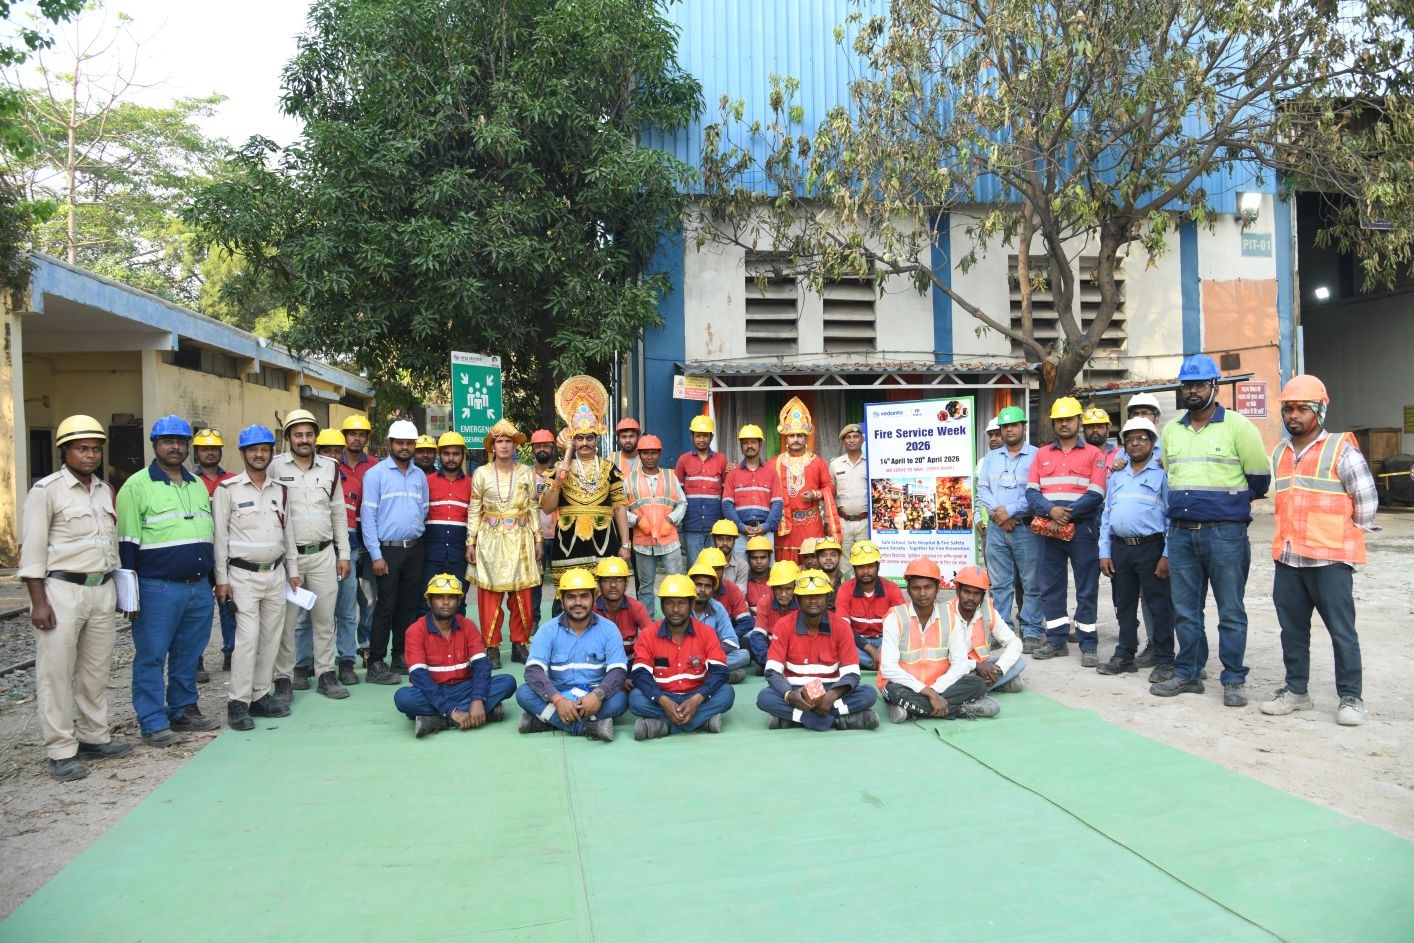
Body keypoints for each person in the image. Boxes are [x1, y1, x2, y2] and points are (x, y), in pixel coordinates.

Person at [1152, 354, 1270, 706]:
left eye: (1200, 385)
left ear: (1214, 387)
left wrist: (1226, 507)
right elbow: (1172, 474)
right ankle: (1189, 673)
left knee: (1230, 610)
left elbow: (1259, 479)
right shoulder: (1171, 431)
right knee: (1186, 610)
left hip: (1225, 534)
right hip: (1181, 534)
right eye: (1187, 385)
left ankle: (1233, 679)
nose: (1193, 391)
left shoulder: (1238, 427)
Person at [1260, 375, 1377, 726]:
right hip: (1289, 558)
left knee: (1342, 632)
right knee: (1292, 631)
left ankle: (1351, 698)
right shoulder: (1280, 453)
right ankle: (1296, 691)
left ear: (1320, 411)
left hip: (1330, 561)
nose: (1293, 415)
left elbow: (1367, 502)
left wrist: (1341, 535)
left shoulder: (1341, 450)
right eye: (1288, 409)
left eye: (1302, 408)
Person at [20, 415, 131, 781]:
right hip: (62, 592)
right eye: (82, 448)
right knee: (56, 673)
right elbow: (32, 551)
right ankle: (60, 750)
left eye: (95, 449)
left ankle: (94, 737)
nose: (90, 455)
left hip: (101, 590)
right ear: (64, 451)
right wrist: (39, 602)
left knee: (95, 671)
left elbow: (108, 544)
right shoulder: (46, 491)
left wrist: (119, 592)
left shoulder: (104, 489)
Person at [116, 415, 222, 747]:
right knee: (151, 655)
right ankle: (152, 721)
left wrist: (213, 582)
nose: (174, 447)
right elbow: (126, 544)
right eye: (167, 441)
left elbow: (208, 534)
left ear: (188, 446)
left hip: (198, 587)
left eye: (180, 441)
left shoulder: (196, 485)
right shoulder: (136, 486)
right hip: (157, 588)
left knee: (189, 653)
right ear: (155, 445)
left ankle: (183, 710)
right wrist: (129, 597)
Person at [214, 426, 302, 730]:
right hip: (242, 575)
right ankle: (238, 702)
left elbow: (288, 534)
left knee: (270, 638)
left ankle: (260, 694)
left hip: (275, 574)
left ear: (271, 453)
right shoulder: (227, 490)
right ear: (243, 453)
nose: (259, 454)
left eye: (264, 449)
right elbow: (220, 538)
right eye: (253, 449)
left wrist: (293, 572)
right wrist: (221, 579)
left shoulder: (280, 490)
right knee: (247, 639)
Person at [269, 410, 351, 703]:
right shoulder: (274, 467)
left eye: (308, 434)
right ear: (289, 437)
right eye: (297, 435)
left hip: (323, 555)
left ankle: (326, 674)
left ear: (316, 436)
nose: (303, 440)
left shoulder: (330, 468)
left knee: (325, 618)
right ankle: (284, 679)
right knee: (286, 622)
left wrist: (343, 554)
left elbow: (338, 514)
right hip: (289, 559)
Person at [878, 563, 1019, 723]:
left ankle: (911, 710)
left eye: (928, 587)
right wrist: (928, 693)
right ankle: (960, 710)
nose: (922, 593)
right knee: (894, 691)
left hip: (940, 684)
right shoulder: (895, 618)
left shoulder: (950, 617)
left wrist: (934, 691)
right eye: (916, 588)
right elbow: (888, 668)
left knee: (977, 684)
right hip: (904, 685)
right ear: (909, 590)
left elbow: (960, 665)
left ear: (938, 589)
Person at [1026, 396, 1109, 666]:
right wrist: (1051, 511)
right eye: (1059, 420)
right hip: (1049, 528)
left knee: (1086, 586)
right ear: (1053, 423)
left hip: (1083, 530)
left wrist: (1065, 515)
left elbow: (1096, 493)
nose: (1064, 424)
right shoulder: (1042, 454)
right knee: (1051, 586)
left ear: (1078, 422)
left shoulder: (1094, 454)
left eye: (1069, 419)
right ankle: (1056, 640)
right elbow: (1031, 492)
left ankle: (1088, 644)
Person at [1097, 417, 1175, 680]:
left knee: (1159, 605)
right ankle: (1125, 654)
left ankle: (1165, 660)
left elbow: (1171, 517)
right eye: (1129, 439)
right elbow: (1107, 514)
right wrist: (1104, 552)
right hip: (1120, 549)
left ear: (1152, 443)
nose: (1135, 443)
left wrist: (1166, 554)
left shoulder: (1162, 473)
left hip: (1151, 548)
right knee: (1124, 604)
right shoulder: (1117, 474)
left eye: (1141, 438)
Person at [394, 574, 517, 737]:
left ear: (459, 602)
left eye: (451, 597)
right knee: (403, 698)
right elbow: (420, 677)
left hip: (465, 688)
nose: (446, 602)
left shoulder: (468, 626)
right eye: (439, 597)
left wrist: (477, 699)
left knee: (508, 682)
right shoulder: (415, 631)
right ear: (429, 601)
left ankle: (436, 720)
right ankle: (478, 714)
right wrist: (451, 710)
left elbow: (481, 667)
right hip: (431, 690)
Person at [515, 568, 628, 741]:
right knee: (523, 693)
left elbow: (618, 671)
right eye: (571, 597)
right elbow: (533, 671)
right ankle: (585, 727)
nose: (578, 602)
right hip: (557, 695)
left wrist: (597, 695)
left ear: (594, 598)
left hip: (593, 697)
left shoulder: (609, 629)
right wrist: (558, 700)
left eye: (584, 596)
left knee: (620, 699)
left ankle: (549, 721)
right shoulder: (547, 630)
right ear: (561, 600)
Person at [757, 569, 879, 731]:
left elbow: (852, 674)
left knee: (869, 694)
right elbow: (772, 671)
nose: (813, 600)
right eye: (807, 596)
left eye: (819, 595)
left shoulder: (842, 627)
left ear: (827, 598)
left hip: (831, 690)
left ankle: (795, 719)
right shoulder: (783, 625)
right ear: (798, 599)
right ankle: (839, 721)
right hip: (797, 692)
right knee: (765, 697)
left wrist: (832, 696)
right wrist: (789, 695)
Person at [466, 420, 541, 668]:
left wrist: (538, 538)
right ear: (492, 446)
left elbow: (532, 506)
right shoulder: (481, 473)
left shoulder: (526, 472)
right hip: (490, 540)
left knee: (522, 594)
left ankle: (520, 644)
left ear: (515, 446)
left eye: (509, 441)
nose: (505, 445)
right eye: (500, 441)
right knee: (490, 595)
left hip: (521, 539)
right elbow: (474, 509)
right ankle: (492, 647)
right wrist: (470, 541)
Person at [361, 419, 430, 685]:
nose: (404, 447)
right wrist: (376, 555)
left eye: (409, 443)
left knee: (408, 607)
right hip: (387, 553)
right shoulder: (376, 474)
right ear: (390, 443)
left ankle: (400, 656)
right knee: (385, 607)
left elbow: (424, 510)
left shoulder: (419, 475)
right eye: (399, 442)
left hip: (414, 549)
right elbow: (368, 517)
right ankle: (375, 663)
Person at [629, 574, 736, 739]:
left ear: (692, 604)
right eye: (669, 603)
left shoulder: (706, 633)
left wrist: (696, 700)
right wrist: (663, 700)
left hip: (697, 695)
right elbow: (640, 674)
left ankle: (664, 726)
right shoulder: (648, 634)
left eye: (681, 603)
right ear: (661, 604)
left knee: (727, 693)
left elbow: (720, 672)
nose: (675, 609)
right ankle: (700, 722)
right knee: (635, 698)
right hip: (663, 696)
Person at [975, 405, 1044, 652]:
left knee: (1031, 583)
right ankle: (1002, 630)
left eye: (1014, 425)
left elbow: (1038, 491)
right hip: (997, 529)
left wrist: (1011, 511)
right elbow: (982, 489)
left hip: (1026, 528)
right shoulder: (991, 458)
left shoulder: (1037, 455)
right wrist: (999, 515)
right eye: (1005, 427)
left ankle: (1032, 630)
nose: (1009, 430)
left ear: (1024, 427)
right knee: (999, 584)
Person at [541, 410, 632, 584]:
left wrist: (626, 545)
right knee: (569, 590)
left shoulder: (609, 469)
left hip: (604, 540)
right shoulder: (560, 469)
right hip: (568, 542)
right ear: (573, 440)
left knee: (605, 589)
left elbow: (620, 508)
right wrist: (559, 478)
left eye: (589, 438)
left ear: (596, 440)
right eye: (579, 438)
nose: (584, 443)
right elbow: (546, 508)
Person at [314, 429, 363, 685]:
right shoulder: (311, 483)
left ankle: (346, 661)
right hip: (316, 555)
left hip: (348, 555)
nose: (333, 456)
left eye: (337, 451)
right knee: (309, 614)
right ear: (318, 452)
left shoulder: (353, 482)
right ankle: (304, 664)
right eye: (327, 451)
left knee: (346, 611)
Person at [623, 434, 686, 616]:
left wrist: (671, 519)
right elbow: (619, 509)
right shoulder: (629, 479)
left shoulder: (670, 476)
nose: (649, 457)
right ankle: (647, 624)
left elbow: (682, 502)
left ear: (659, 454)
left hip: (669, 539)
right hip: (642, 541)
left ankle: (675, 620)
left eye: (653, 453)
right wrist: (636, 520)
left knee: (676, 583)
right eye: (645, 453)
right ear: (639, 454)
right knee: (645, 587)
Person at [772, 397, 840, 563]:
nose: (795, 439)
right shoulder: (774, 463)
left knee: (812, 564)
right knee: (786, 567)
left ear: (806, 438)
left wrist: (816, 494)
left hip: (811, 524)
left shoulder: (817, 462)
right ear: (786, 438)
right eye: (792, 435)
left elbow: (830, 487)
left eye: (800, 436)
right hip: (785, 525)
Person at [192, 428, 235, 677]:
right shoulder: (188, 482)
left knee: (228, 605)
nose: (210, 453)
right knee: (199, 610)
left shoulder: (232, 481)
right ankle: (195, 659)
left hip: (227, 553)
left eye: (214, 448)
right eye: (204, 448)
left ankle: (231, 653)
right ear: (196, 452)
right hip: (199, 552)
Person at [338, 414, 378, 663]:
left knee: (370, 600)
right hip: (343, 543)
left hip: (370, 542)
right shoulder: (332, 464)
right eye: (352, 434)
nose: (357, 438)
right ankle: (343, 652)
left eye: (362, 434)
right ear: (345, 436)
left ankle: (366, 646)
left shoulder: (375, 466)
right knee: (342, 602)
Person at [833, 540, 905, 670]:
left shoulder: (892, 589)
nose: (866, 571)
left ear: (878, 566)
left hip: (886, 641)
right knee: (836, 647)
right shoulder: (845, 590)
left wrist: (882, 650)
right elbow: (844, 628)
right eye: (861, 567)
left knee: (905, 646)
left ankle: (872, 661)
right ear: (854, 568)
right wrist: (872, 651)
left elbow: (901, 627)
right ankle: (882, 662)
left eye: (870, 566)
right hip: (858, 643)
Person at [422, 431, 472, 616]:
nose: (451, 458)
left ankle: (457, 636)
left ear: (462, 455)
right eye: (446, 453)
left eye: (456, 454)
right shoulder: (426, 482)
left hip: (460, 555)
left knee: (458, 602)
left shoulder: (472, 484)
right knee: (426, 602)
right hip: (430, 554)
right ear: (439, 455)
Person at [675, 414, 730, 566]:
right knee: (695, 567)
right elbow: (677, 494)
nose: (702, 439)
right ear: (692, 437)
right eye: (698, 435)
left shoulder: (721, 460)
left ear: (711, 437)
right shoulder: (683, 460)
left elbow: (726, 493)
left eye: (705, 436)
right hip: (691, 524)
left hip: (715, 525)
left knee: (715, 566)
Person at [721, 424, 782, 554]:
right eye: (745, 443)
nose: (749, 446)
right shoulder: (732, 473)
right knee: (740, 566)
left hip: (765, 532)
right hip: (739, 534)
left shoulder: (771, 472)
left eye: (753, 442)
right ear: (741, 446)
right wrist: (741, 527)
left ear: (760, 444)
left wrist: (766, 527)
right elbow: (727, 505)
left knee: (765, 567)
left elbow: (777, 503)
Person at [686, 561, 750, 681]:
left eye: (707, 586)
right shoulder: (681, 605)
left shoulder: (718, 608)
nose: (702, 590)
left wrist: (705, 654)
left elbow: (732, 642)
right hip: (685, 656)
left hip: (710, 656)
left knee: (744, 655)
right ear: (690, 585)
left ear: (713, 589)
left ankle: (700, 674)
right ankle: (717, 675)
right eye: (698, 585)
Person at [594, 557, 654, 663]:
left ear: (626, 584)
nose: (613, 585)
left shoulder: (636, 608)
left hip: (629, 663)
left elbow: (652, 639)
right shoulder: (591, 610)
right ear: (599, 585)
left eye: (619, 580)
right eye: (607, 580)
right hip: (599, 664)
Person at [829, 423, 869, 574]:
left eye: (856, 436)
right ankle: (846, 587)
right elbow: (830, 494)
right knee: (844, 563)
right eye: (848, 437)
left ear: (862, 440)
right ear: (843, 441)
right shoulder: (835, 464)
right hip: (843, 521)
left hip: (866, 522)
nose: (852, 440)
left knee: (865, 559)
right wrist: (828, 521)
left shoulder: (871, 462)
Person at [694, 547, 755, 643]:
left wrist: (728, 638)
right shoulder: (688, 590)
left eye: (718, 570)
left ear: (723, 570)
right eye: (710, 569)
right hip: (693, 642)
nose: (714, 574)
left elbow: (747, 621)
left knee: (745, 649)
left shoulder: (730, 587)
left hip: (722, 642)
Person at [529, 429, 558, 622]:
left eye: (546, 446)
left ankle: (559, 619)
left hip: (558, 536)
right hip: (534, 537)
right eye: (538, 446)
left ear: (552, 448)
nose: (542, 449)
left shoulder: (561, 473)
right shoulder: (525, 475)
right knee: (534, 582)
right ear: (532, 449)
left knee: (561, 580)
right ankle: (533, 621)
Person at [753, 560, 801, 668]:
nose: (783, 594)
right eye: (779, 589)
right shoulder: (764, 602)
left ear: (795, 588)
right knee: (752, 639)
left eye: (788, 589)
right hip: (771, 651)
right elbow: (758, 636)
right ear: (773, 589)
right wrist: (769, 661)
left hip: (795, 652)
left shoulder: (802, 603)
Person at [742, 535, 774, 660]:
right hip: (753, 627)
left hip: (776, 626)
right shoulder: (743, 578)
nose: (759, 562)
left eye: (763, 557)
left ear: (769, 558)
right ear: (748, 559)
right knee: (746, 641)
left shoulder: (777, 577)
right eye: (754, 558)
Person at [708, 519, 750, 591]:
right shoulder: (703, 561)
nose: (725, 543)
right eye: (720, 539)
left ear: (734, 541)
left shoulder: (742, 565)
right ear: (714, 540)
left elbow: (740, 594)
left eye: (729, 539)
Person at [813, 536, 844, 607]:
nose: (828, 558)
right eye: (823, 555)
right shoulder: (810, 580)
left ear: (839, 557)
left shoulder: (848, 579)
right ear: (817, 558)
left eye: (833, 555)